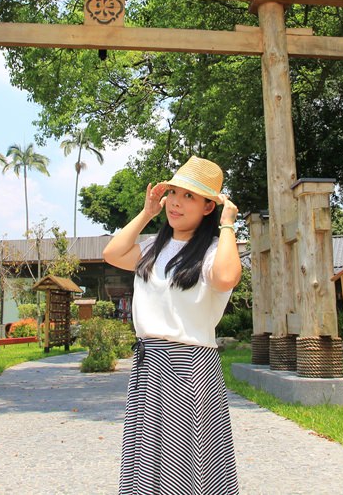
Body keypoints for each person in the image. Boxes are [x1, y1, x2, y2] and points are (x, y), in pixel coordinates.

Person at [103, 155, 242, 495]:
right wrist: (147, 213)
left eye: (190, 196)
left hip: (190, 365)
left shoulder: (212, 250)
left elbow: (225, 278)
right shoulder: (154, 246)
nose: (177, 202)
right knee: (147, 460)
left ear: (209, 207)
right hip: (150, 363)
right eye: (175, 193)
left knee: (189, 460)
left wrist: (228, 225)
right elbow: (112, 253)